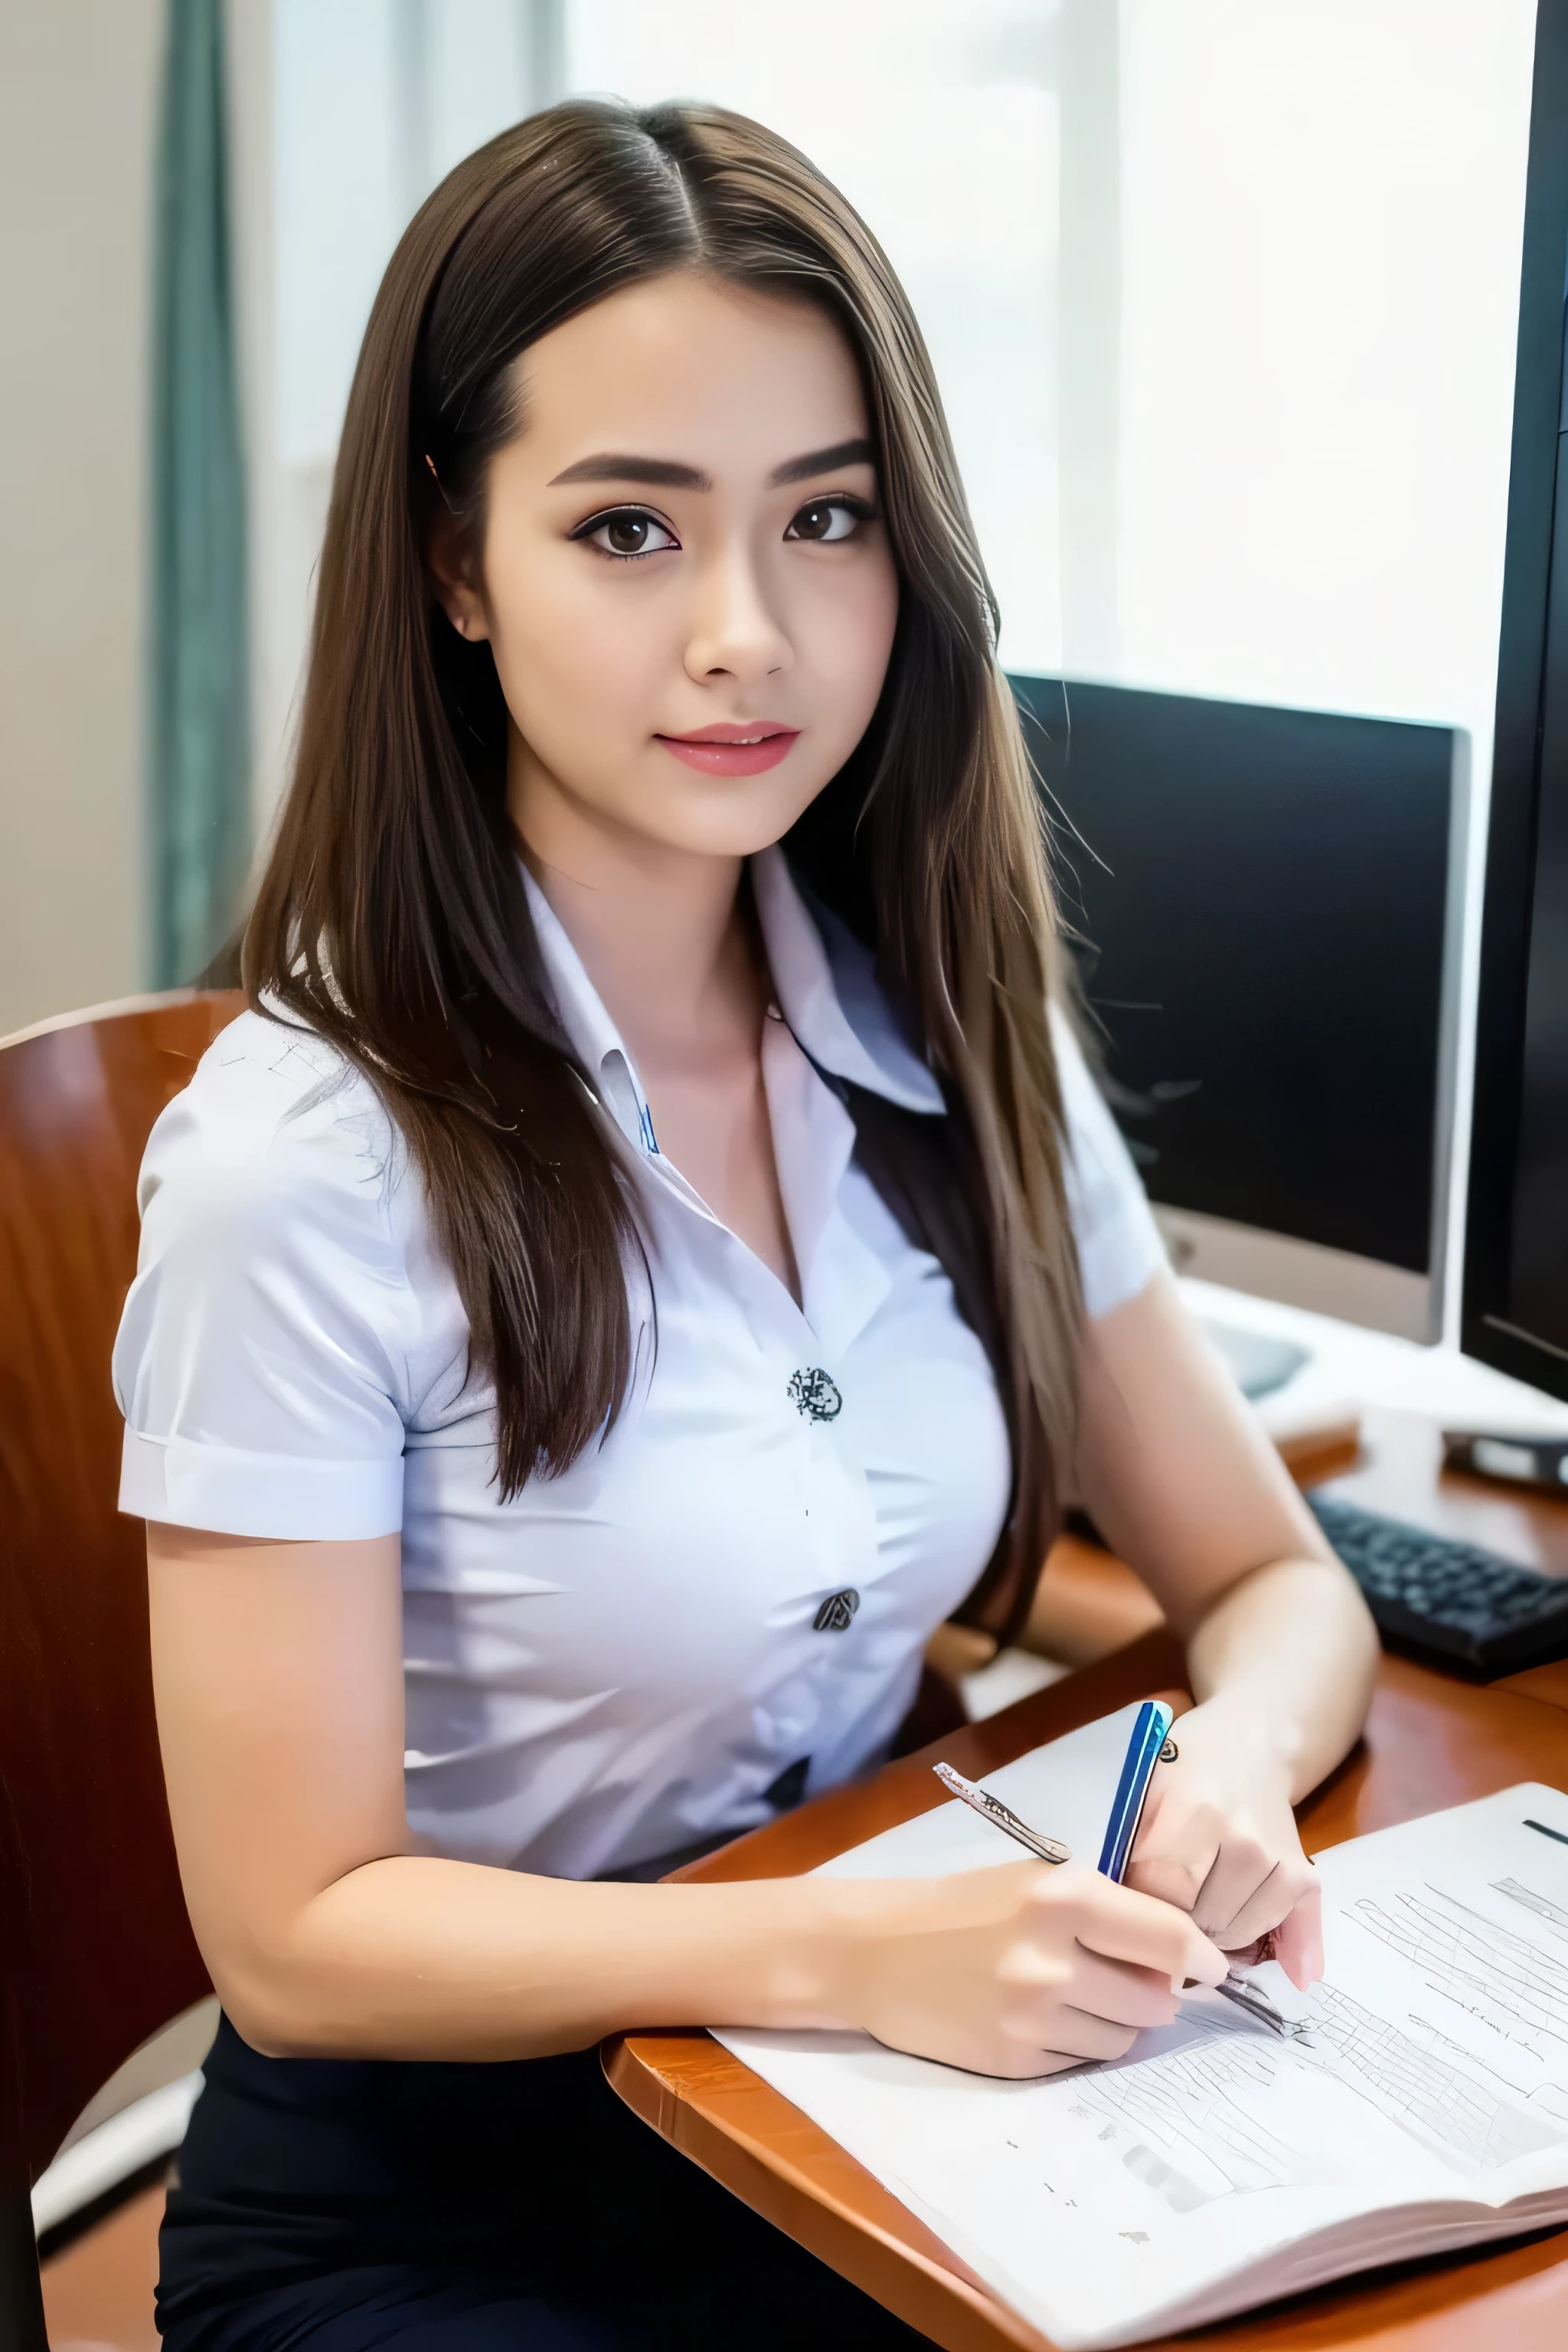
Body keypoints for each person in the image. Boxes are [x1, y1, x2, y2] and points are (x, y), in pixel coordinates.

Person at [116, 98, 1379, 2352]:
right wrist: (843, 1958)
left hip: (881, 2116)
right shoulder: (296, 1164)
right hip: (447, 2201)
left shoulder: (951, 1022)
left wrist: (1239, 1780)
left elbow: (1277, 1579)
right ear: (452, 561)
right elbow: (292, 1933)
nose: (749, 632)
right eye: (628, 528)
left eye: (828, 520)